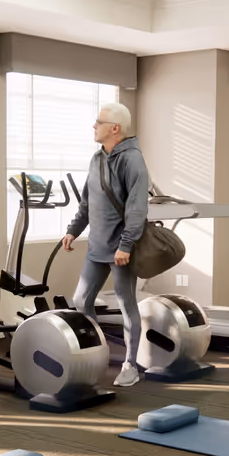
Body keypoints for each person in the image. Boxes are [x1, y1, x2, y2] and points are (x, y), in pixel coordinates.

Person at [59, 102, 148, 387]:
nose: (94, 126)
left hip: (121, 248)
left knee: (126, 304)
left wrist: (127, 244)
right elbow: (88, 201)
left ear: (115, 128)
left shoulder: (132, 159)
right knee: (81, 300)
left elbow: (137, 207)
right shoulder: (96, 159)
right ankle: (97, 355)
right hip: (97, 246)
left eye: (99, 122)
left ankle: (130, 364)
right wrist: (73, 229)